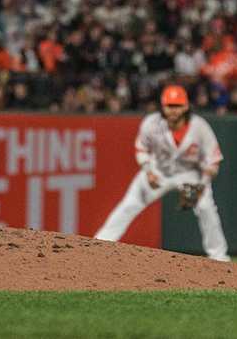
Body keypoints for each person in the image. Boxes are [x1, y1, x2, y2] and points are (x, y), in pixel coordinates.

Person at [94, 85, 229, 261]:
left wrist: (202, 184)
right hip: (158, 171)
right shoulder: (151, 123)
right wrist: (148, 171)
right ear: (163, 107)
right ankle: (99, 244)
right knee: (129, 204)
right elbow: (141, 149)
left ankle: (219, 257)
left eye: (177, 106)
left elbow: (214, 160)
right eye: (169, 106)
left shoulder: (199, 127)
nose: (173, 110)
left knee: (206, 207)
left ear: (186, 106)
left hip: (190, 174)